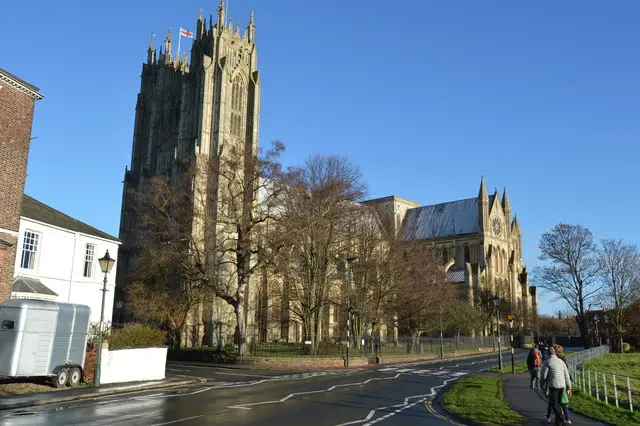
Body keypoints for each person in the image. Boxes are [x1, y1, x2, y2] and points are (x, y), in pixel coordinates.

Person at [542, 346, 572, 426]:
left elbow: (544, 376)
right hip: (562, 385)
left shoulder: (547, 362)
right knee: (559, 403)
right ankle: (559, 422)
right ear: (555, 352)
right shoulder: (561, 361)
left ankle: (560, 417)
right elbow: (566, 375)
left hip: (553, 386)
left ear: (548, 353)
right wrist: (569, 387)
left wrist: (541, 384)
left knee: (554, 403)